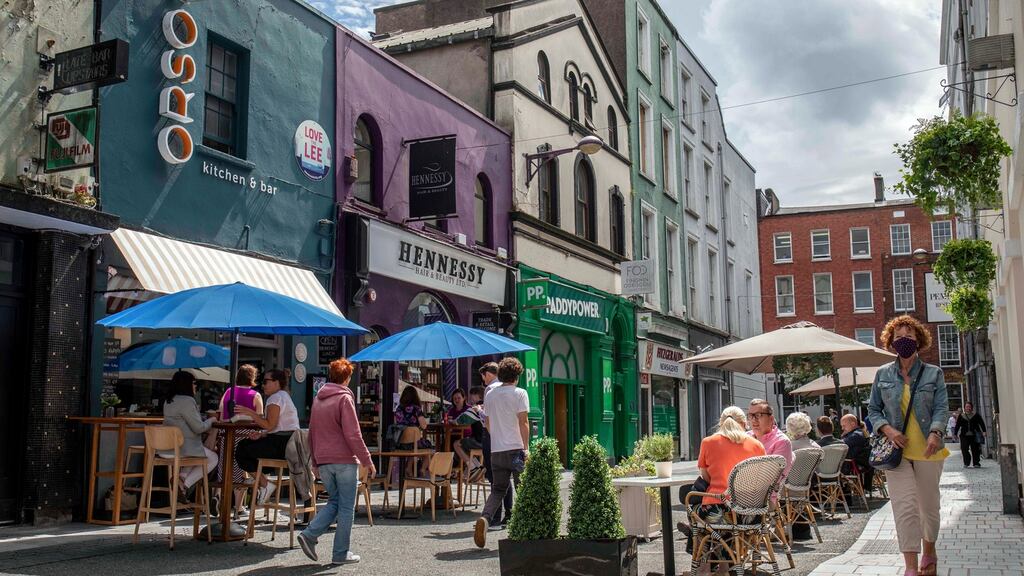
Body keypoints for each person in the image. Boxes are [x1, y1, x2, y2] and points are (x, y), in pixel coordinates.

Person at [868, 315, 949, 576]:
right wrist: (888, 430)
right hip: (896, 454)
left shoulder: (933, 373)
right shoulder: (883, 374)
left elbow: (941, 408)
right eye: (899, 337)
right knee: (904, 508)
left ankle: (930, 550)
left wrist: (936, 433)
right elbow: (873, 409)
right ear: (892, 341)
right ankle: (910, 568)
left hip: (928, 450)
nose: (904, 341)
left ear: (919, 341)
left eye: (910, 337)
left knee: (929, 508)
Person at [297, 359, 374, 566]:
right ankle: (339, 552)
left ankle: (310, 535)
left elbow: (311, 432)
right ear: (347, 378)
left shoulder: (318, 399)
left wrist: (315, 461)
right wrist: (367, 459)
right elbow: (353, 434)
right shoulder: (344, 399)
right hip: (344, 460)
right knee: (347, 507)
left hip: (324, 460)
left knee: (335, 501)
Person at [677, 406, 766, 554]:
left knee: (694, 508)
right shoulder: (757, 445)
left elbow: (706, 478)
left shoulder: (708, 442)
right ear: (744, 424)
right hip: (752, 514)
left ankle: (704, 564)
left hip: (718, 511)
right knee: (715, 515)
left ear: (721, 423)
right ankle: (724, 565)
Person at [474, 357, 529, 548]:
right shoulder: (520, 393)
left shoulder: (490, 395)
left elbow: (487, 423)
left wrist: (497, 437)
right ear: (516, 375)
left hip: (496, 451)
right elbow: (523, 422)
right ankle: (523, 528)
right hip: (515, 449)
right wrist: (526, 448)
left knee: (498, 489)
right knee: (523, 488)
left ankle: (485, 518)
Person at [235, 368, 301, 504]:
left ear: (277, 383)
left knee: (241, 449)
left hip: (282, 446)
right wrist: (261, 434)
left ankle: (264, 484)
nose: (263, 385)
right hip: (290, 445)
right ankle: (261, 481)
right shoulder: (284, 396)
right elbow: (278, 426)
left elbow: (269, 425)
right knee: (247, 447)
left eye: (266, 382)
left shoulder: (275, 398)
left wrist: (251, 413)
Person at [161, 370, 219, 500]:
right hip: (182, 448)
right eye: (194, 383)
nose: (195, 386)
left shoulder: (169, 400)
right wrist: (212, 420)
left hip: (166, 448)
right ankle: (184, 485)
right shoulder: (187, 401)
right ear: (186, 384)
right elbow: (199, 428)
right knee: (213, 458)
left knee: (199, 453)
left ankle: (181, 478)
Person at [479, 362, 513, 527]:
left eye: (483, 376)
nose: (483, 380)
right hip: (511, 440)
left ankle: (492, 517)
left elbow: (487, 419)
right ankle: (510, 514)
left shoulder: (490, 390)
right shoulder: (511, 389)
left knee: (496, 479)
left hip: (493, 438)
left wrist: (478, 412)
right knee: (509, 478)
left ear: (488, 374)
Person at [748, 399, 794, 477]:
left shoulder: (781, 442)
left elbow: (771, 477)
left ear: (771, 419)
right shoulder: (745, 437)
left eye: (758, 415)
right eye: (750, 415)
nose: (753, 420)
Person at [452, 387, 485, 474]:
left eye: (472, 395)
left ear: (477, 396)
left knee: (456, 444)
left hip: (479, 440)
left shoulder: (476, 408)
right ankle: (478, 467)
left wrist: (453, 421)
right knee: (465, 445)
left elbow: (461, 420)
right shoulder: (487, 405)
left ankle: (472, 467)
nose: (470, 398)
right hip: (488, 441)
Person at [841, 413, 872, 493]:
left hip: (853, 465)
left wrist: (842, 437)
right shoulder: (857, 433)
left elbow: (840, 445)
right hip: (852, 464)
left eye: (844, 425)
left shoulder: (856, 434)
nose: (842, 428)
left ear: (853, 424)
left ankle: (842, 495)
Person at [954, 402, 986, 468]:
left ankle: (976, 463)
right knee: (964, 448)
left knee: (975, 449)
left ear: (971, 407)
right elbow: (957, 425)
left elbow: (981, 423)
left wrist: (984, 431)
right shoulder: (961, 416)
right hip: (964, 435)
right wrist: (955, 433)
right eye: (966, 407)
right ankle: (966, 462)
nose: (968, 408)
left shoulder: (976, 415)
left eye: (969, 407)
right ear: (964, 408)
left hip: (974, 435)